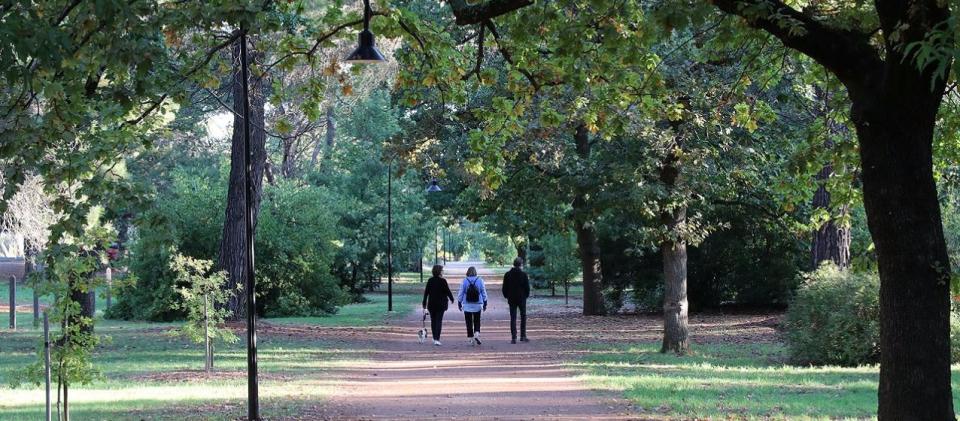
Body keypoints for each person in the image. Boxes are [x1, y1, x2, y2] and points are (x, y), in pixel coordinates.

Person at [422, 265, 455, 346]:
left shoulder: (430, 280)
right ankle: (437, 339)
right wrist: (452, 299)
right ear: (439, 271)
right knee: (438, 321)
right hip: (441, 304)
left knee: (433, 321)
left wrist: (424, 303)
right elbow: (448, 291)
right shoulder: (443, 281)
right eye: (442, 270)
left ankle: (434, 337)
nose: (442, 271)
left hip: (431, 304)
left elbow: (426, 293)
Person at [457, 266, 488, 345]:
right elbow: (483, 292)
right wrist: (485, 302)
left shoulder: (464, 280)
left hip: (467, 304)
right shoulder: (480, 280)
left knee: (468, 322)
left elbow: (461, 292)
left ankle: (471, 339)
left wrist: (459, 302)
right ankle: (477, 333)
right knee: (477, 320)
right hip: (478, 304)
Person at [502, 257, 531, 344]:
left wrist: (506, 296)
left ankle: (514, 337)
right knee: (523, 317)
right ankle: (523, 336)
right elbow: (527, 288)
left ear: (514, 264)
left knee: (513, 317)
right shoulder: (524, 275)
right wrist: (526, 296)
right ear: (521, 264)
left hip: (511, 298)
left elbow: (504, 288)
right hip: (521, 298)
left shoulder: (507, 274)